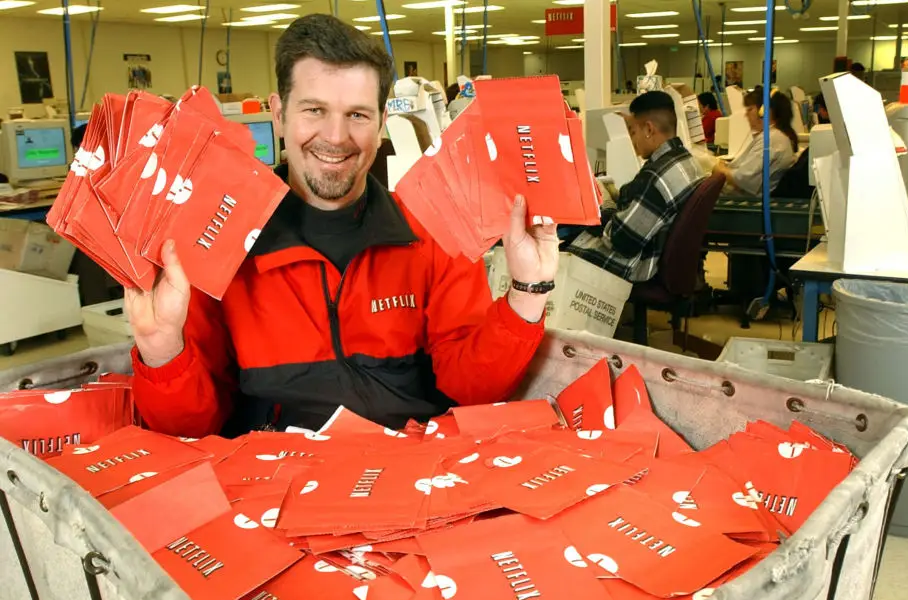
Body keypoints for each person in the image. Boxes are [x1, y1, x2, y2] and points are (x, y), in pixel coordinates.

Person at [127, 14, 558, 438]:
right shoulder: (218, 245)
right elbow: (192, 430)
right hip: (273, 489)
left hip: (412, 479)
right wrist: (161, 346)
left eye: (357, 115)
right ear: (279, 113)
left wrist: (527, 290)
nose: (336, 136)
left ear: (382, 119)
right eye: (314, 110)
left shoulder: (432, 232)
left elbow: (470, 390)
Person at [565, 91, 705, 283]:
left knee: (561, 254)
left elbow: (621, 241)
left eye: (632, 131)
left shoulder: (656, 179)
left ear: (648, 129)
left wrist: (602, 210)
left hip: (641, 265)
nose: (632, 140)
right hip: (659, 254)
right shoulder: (684, 160)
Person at [712, 90, 797, 198]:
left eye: (750, 109)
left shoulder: (770, 139)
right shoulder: (775, 136)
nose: (746, 115)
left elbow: (742, 178)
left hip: (745, 205)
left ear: (764, 112)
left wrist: (719, 169)